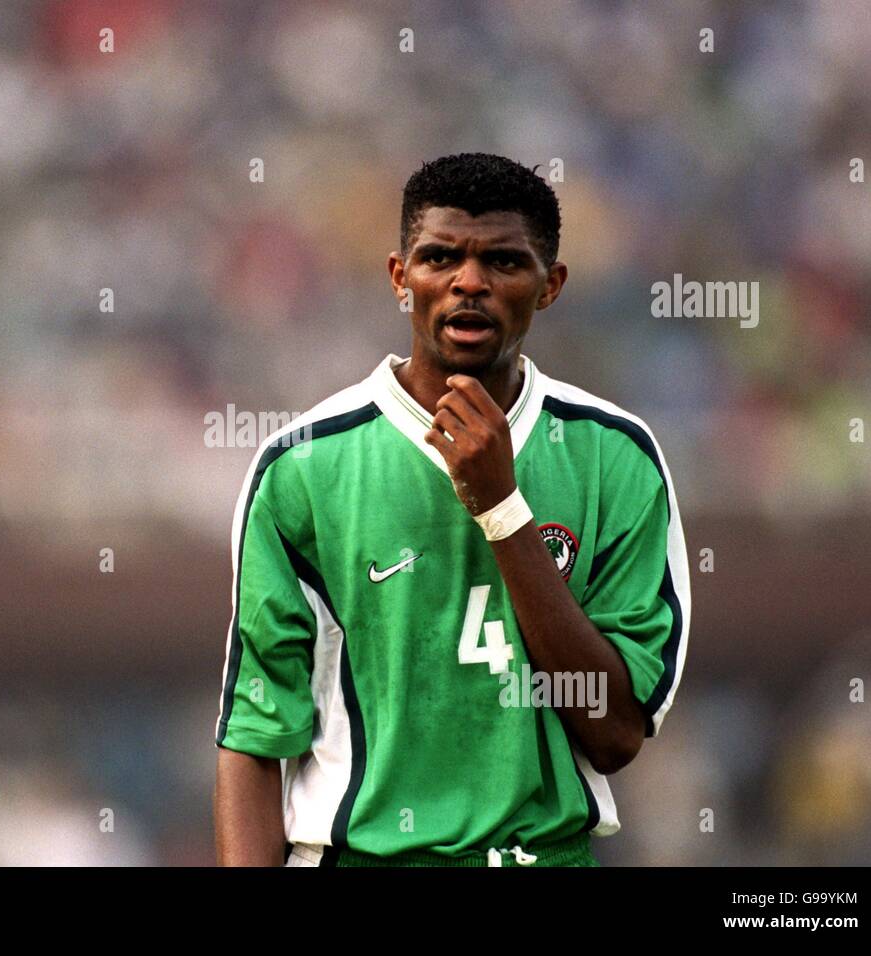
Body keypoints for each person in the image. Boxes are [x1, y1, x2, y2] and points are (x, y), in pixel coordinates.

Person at [213, 152, 690, 867]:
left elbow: (615, 732)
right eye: (440, 257)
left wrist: (502, 508)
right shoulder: (304, 466)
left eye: (503, 261)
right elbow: (255, 739)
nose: (469, 282)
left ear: (550, 285)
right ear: (400, 277)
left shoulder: (614, 457)